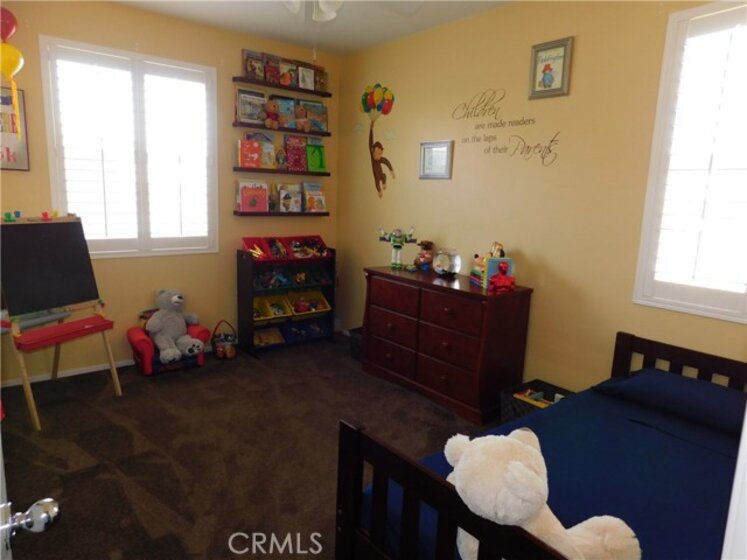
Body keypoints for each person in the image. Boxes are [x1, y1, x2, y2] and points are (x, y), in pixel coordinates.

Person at [369, 121, 395, 198]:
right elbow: (370, 142)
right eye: (377, 153)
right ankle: (380, 191)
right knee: (377, 182)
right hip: (376, 175)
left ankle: (384, 183)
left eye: (380, 154)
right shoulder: (373, 157)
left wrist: (391, 170)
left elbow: (386, 161)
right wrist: (371, 129)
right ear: (372, 151)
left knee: (384, 176)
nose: (378, 156)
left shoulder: (380, 159)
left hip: (381, 174)